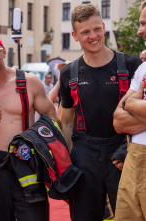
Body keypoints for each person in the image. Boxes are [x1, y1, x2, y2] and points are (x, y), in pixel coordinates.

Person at [0, 32, 60, 221]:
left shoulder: (29, 82)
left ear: (3, 52)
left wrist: (48, 155)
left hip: (28, 163)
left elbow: (53, 120)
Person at [59, 4, 142, 221]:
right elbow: (66, 122)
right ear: (75, 36)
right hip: (84, 155)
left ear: (104, 27)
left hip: (121, 153)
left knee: (130, 217)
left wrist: (127, 150)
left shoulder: (131, 64)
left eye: (96, 29)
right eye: (85, 32)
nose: (92, 36)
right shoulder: (69, 72)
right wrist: (67, 166)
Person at [113, 1, 146, 220]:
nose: (139, 30)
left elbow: (125, 106)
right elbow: (118, 121)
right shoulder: (143, 67)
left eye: (144, 24)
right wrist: (130, 104)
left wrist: (130, 103)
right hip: (134, 156)